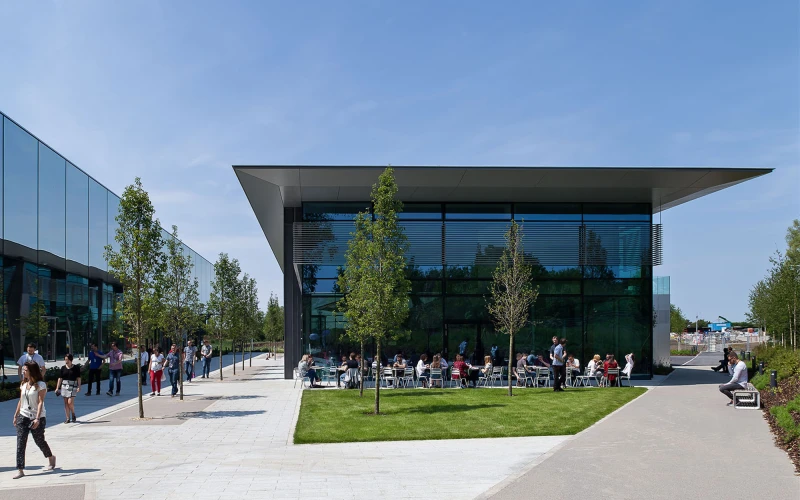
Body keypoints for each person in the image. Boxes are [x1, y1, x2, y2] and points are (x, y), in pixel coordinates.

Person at [13, 362, 56, 478]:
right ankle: (20, 469)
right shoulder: (23, 384)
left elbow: (40, 402)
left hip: (37, 417)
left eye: (25, 370)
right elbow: (21, 400)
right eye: (23, 370)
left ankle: (50, 457)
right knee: (20, 443)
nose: (23, 372)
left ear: (32, 371)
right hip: (23, 416)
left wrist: (37, 418)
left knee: (39, 441)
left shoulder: (41, 385)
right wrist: (16, 415)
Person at [55, 354, 81, 424]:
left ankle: (73, 413)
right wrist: (57, 387)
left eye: (67, 359)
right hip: (64, 385)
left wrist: (79, 386)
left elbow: (78, 378)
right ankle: (67, 418)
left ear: (71, 360)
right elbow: (60, 378)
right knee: (66, 402)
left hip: (73, 385)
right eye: (65, 359)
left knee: (70, 402)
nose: (66, 361)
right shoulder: (63, 368)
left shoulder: (76, 368)